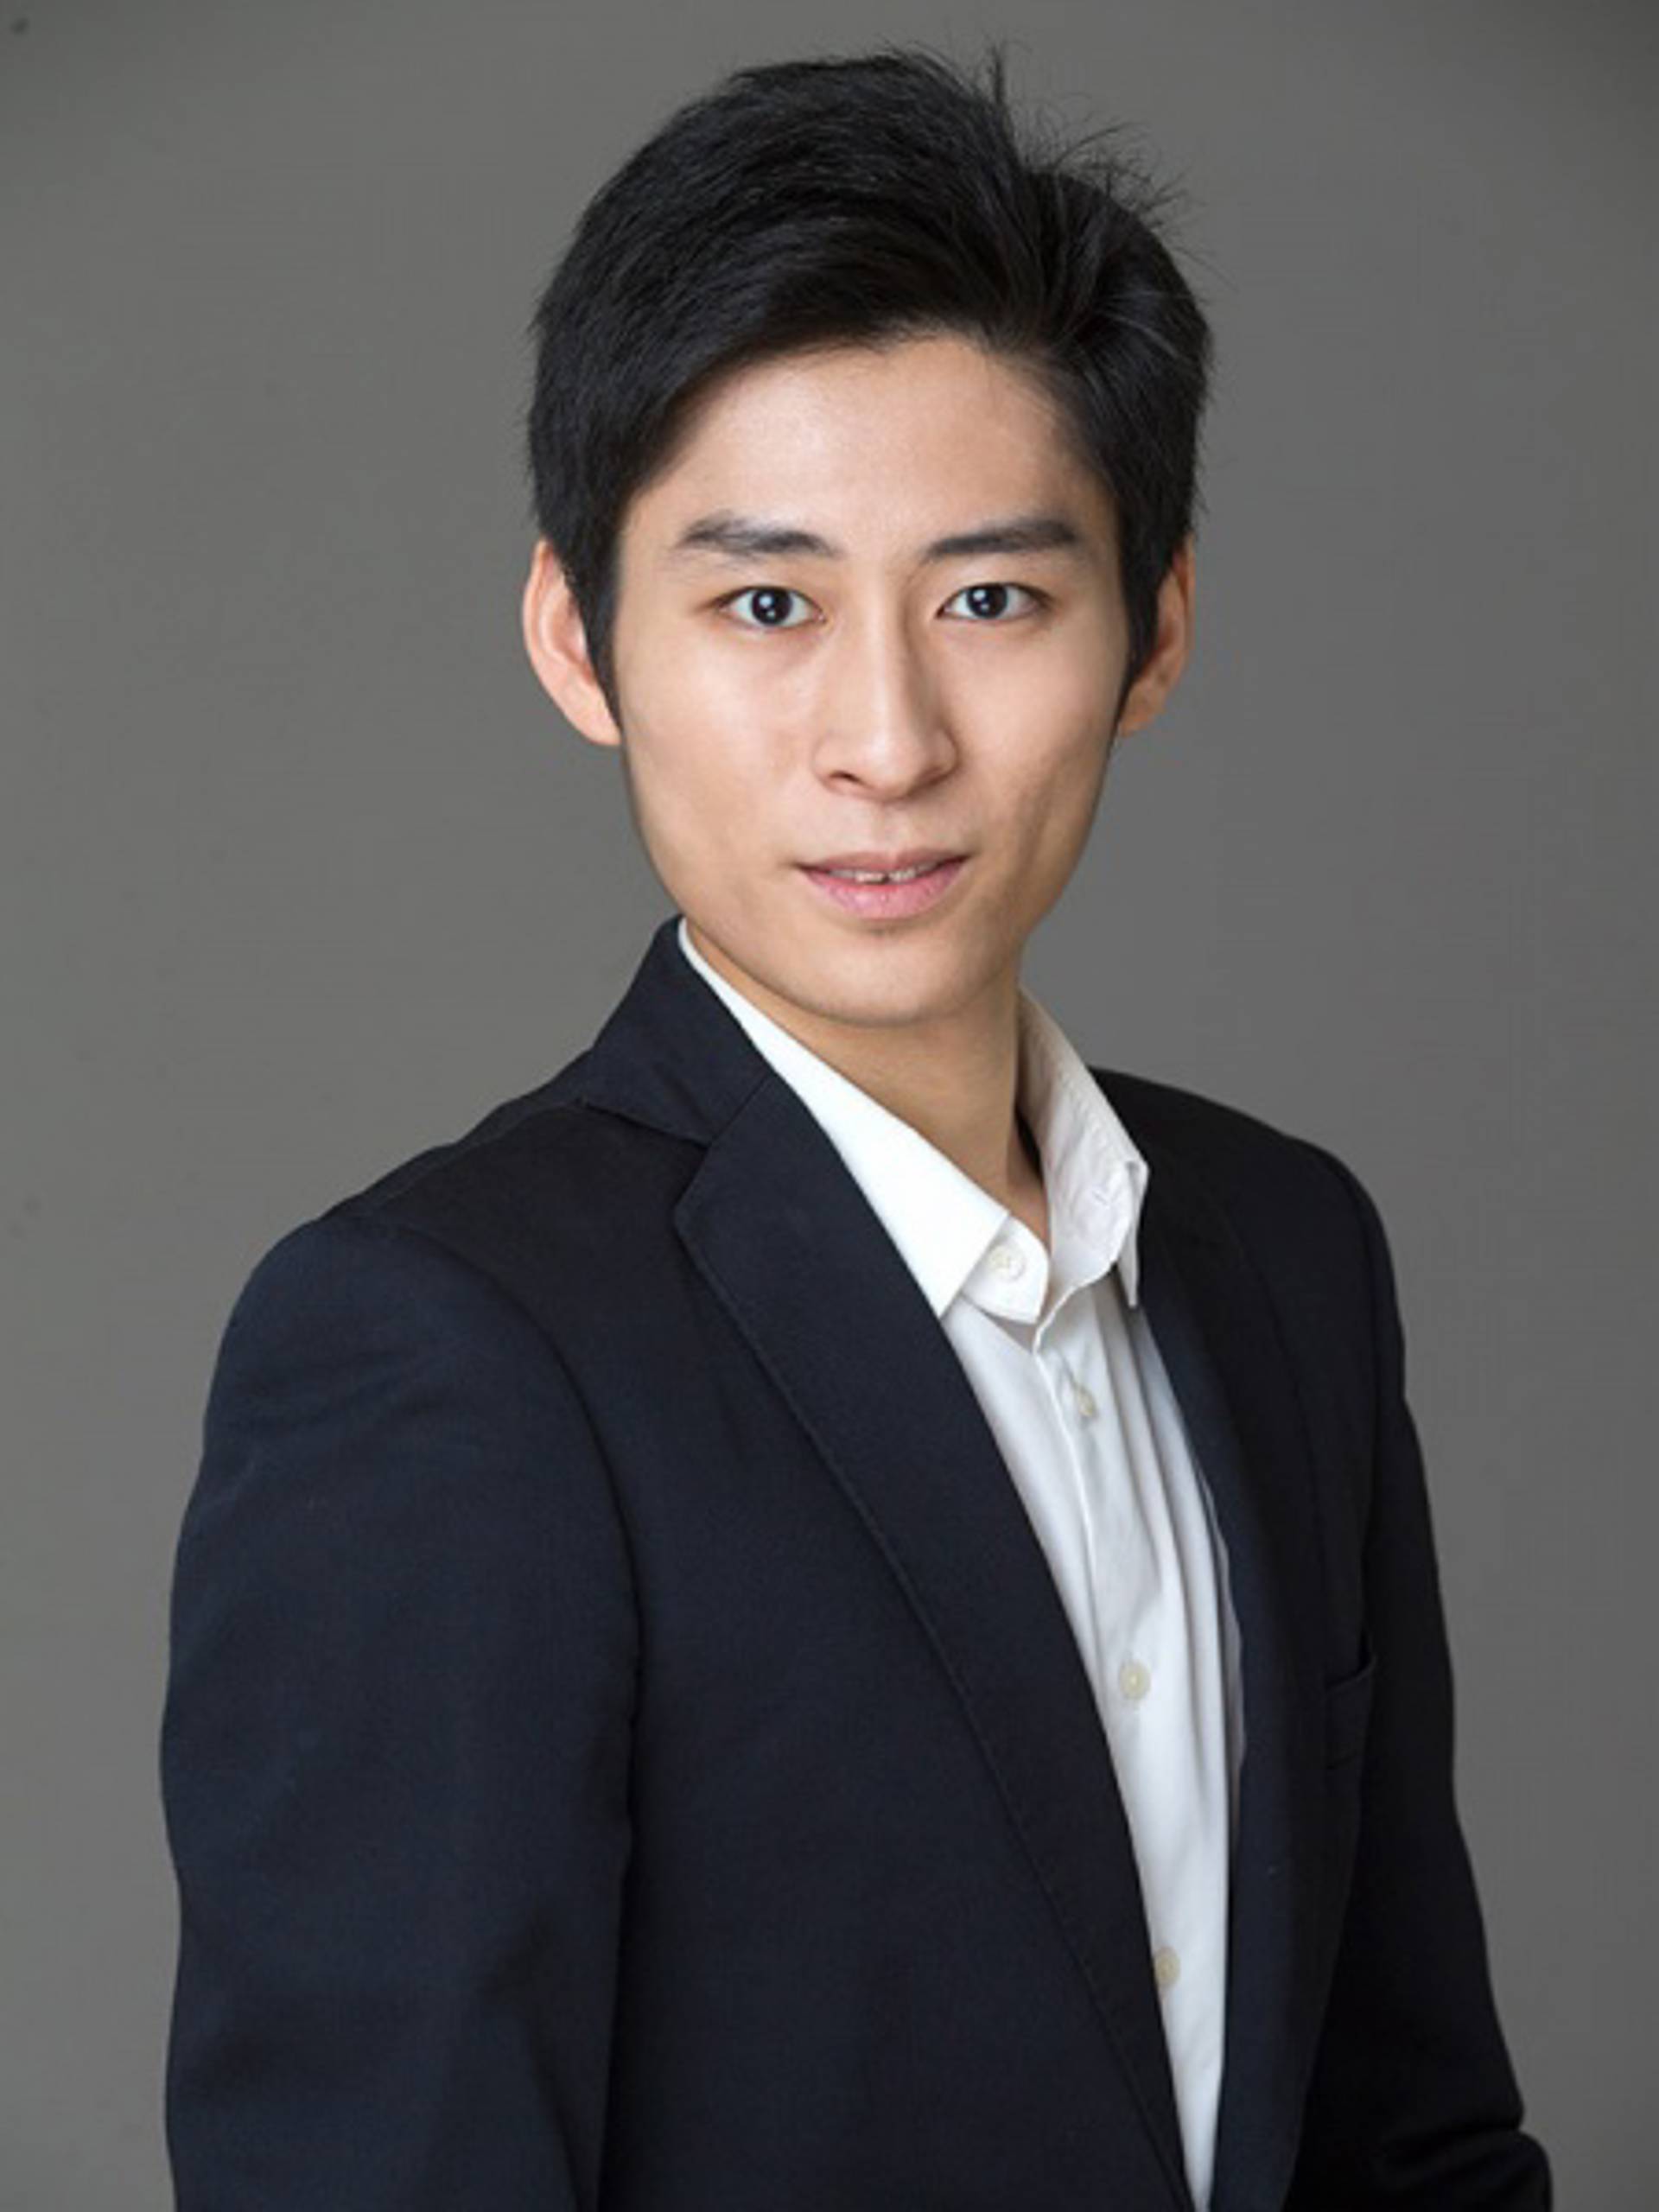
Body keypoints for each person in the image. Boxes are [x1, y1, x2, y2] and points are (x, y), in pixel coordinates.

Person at [158, 41, 1552, 2211]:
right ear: (578, 635)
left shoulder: (1284, 1254)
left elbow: (1412, 2129)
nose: (886, 740)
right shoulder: (438, 1348)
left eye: (992, 597)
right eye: (767, 604)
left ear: (1154, 626)